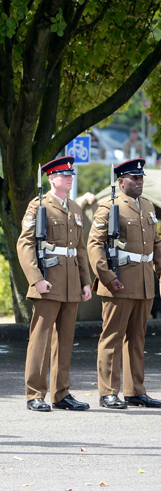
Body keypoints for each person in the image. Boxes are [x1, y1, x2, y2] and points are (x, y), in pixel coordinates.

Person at [17, 156, 93, 412]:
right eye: (63, 174)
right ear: (51, 178)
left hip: (71, 283)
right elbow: (25, 244)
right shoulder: (39, 206)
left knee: (65, 341)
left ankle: (62, 394)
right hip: (48, 280)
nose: (69, 178)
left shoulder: (74, 207)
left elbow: (79, 249)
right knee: (40, 339)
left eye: (71, 174)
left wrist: (85, 281)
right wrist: (36, 279)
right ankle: (35, 394)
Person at [87, 158, 161, 409]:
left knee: (137, 339)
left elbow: (156, 243)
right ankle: (108, 392)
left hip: (143, 283)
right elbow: (95, 245)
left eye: (141, 179)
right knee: (112, 338)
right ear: (121, 182)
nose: (139, 182)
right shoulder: (109, 208)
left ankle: (135, 391)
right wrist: (107, 276)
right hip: (118, 282)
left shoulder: (148, 206)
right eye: (134, 179)